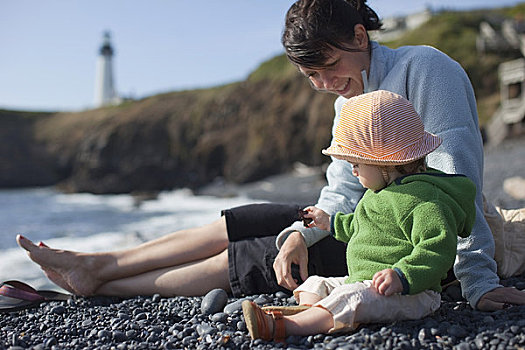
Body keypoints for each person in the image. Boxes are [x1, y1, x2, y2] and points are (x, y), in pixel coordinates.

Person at [16, 0, 525, 311]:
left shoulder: (426, 69)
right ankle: (101, 264)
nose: (326, 85)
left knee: (245, 259)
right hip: (371, 218)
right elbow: (342, 189)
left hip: (415, 244)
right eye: (312, 77)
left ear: (359, 35)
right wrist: (303, 234)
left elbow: (457, 180)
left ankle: (106, 288)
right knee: (257, 220)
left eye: (329, 66)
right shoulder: (352, 98)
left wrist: (477, 280)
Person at [242, 90, 476, 341]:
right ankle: (309, 315)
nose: (353, 171)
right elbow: (360, 225)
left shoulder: (426, 200)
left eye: (356, 164)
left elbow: (437, 249)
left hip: (412, 294)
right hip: (364, 280)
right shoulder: (379, 193)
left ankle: (285, 328)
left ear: (385, 163)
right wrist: (329, 223)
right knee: (315, 283)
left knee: (352, 297)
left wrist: (402, 276)